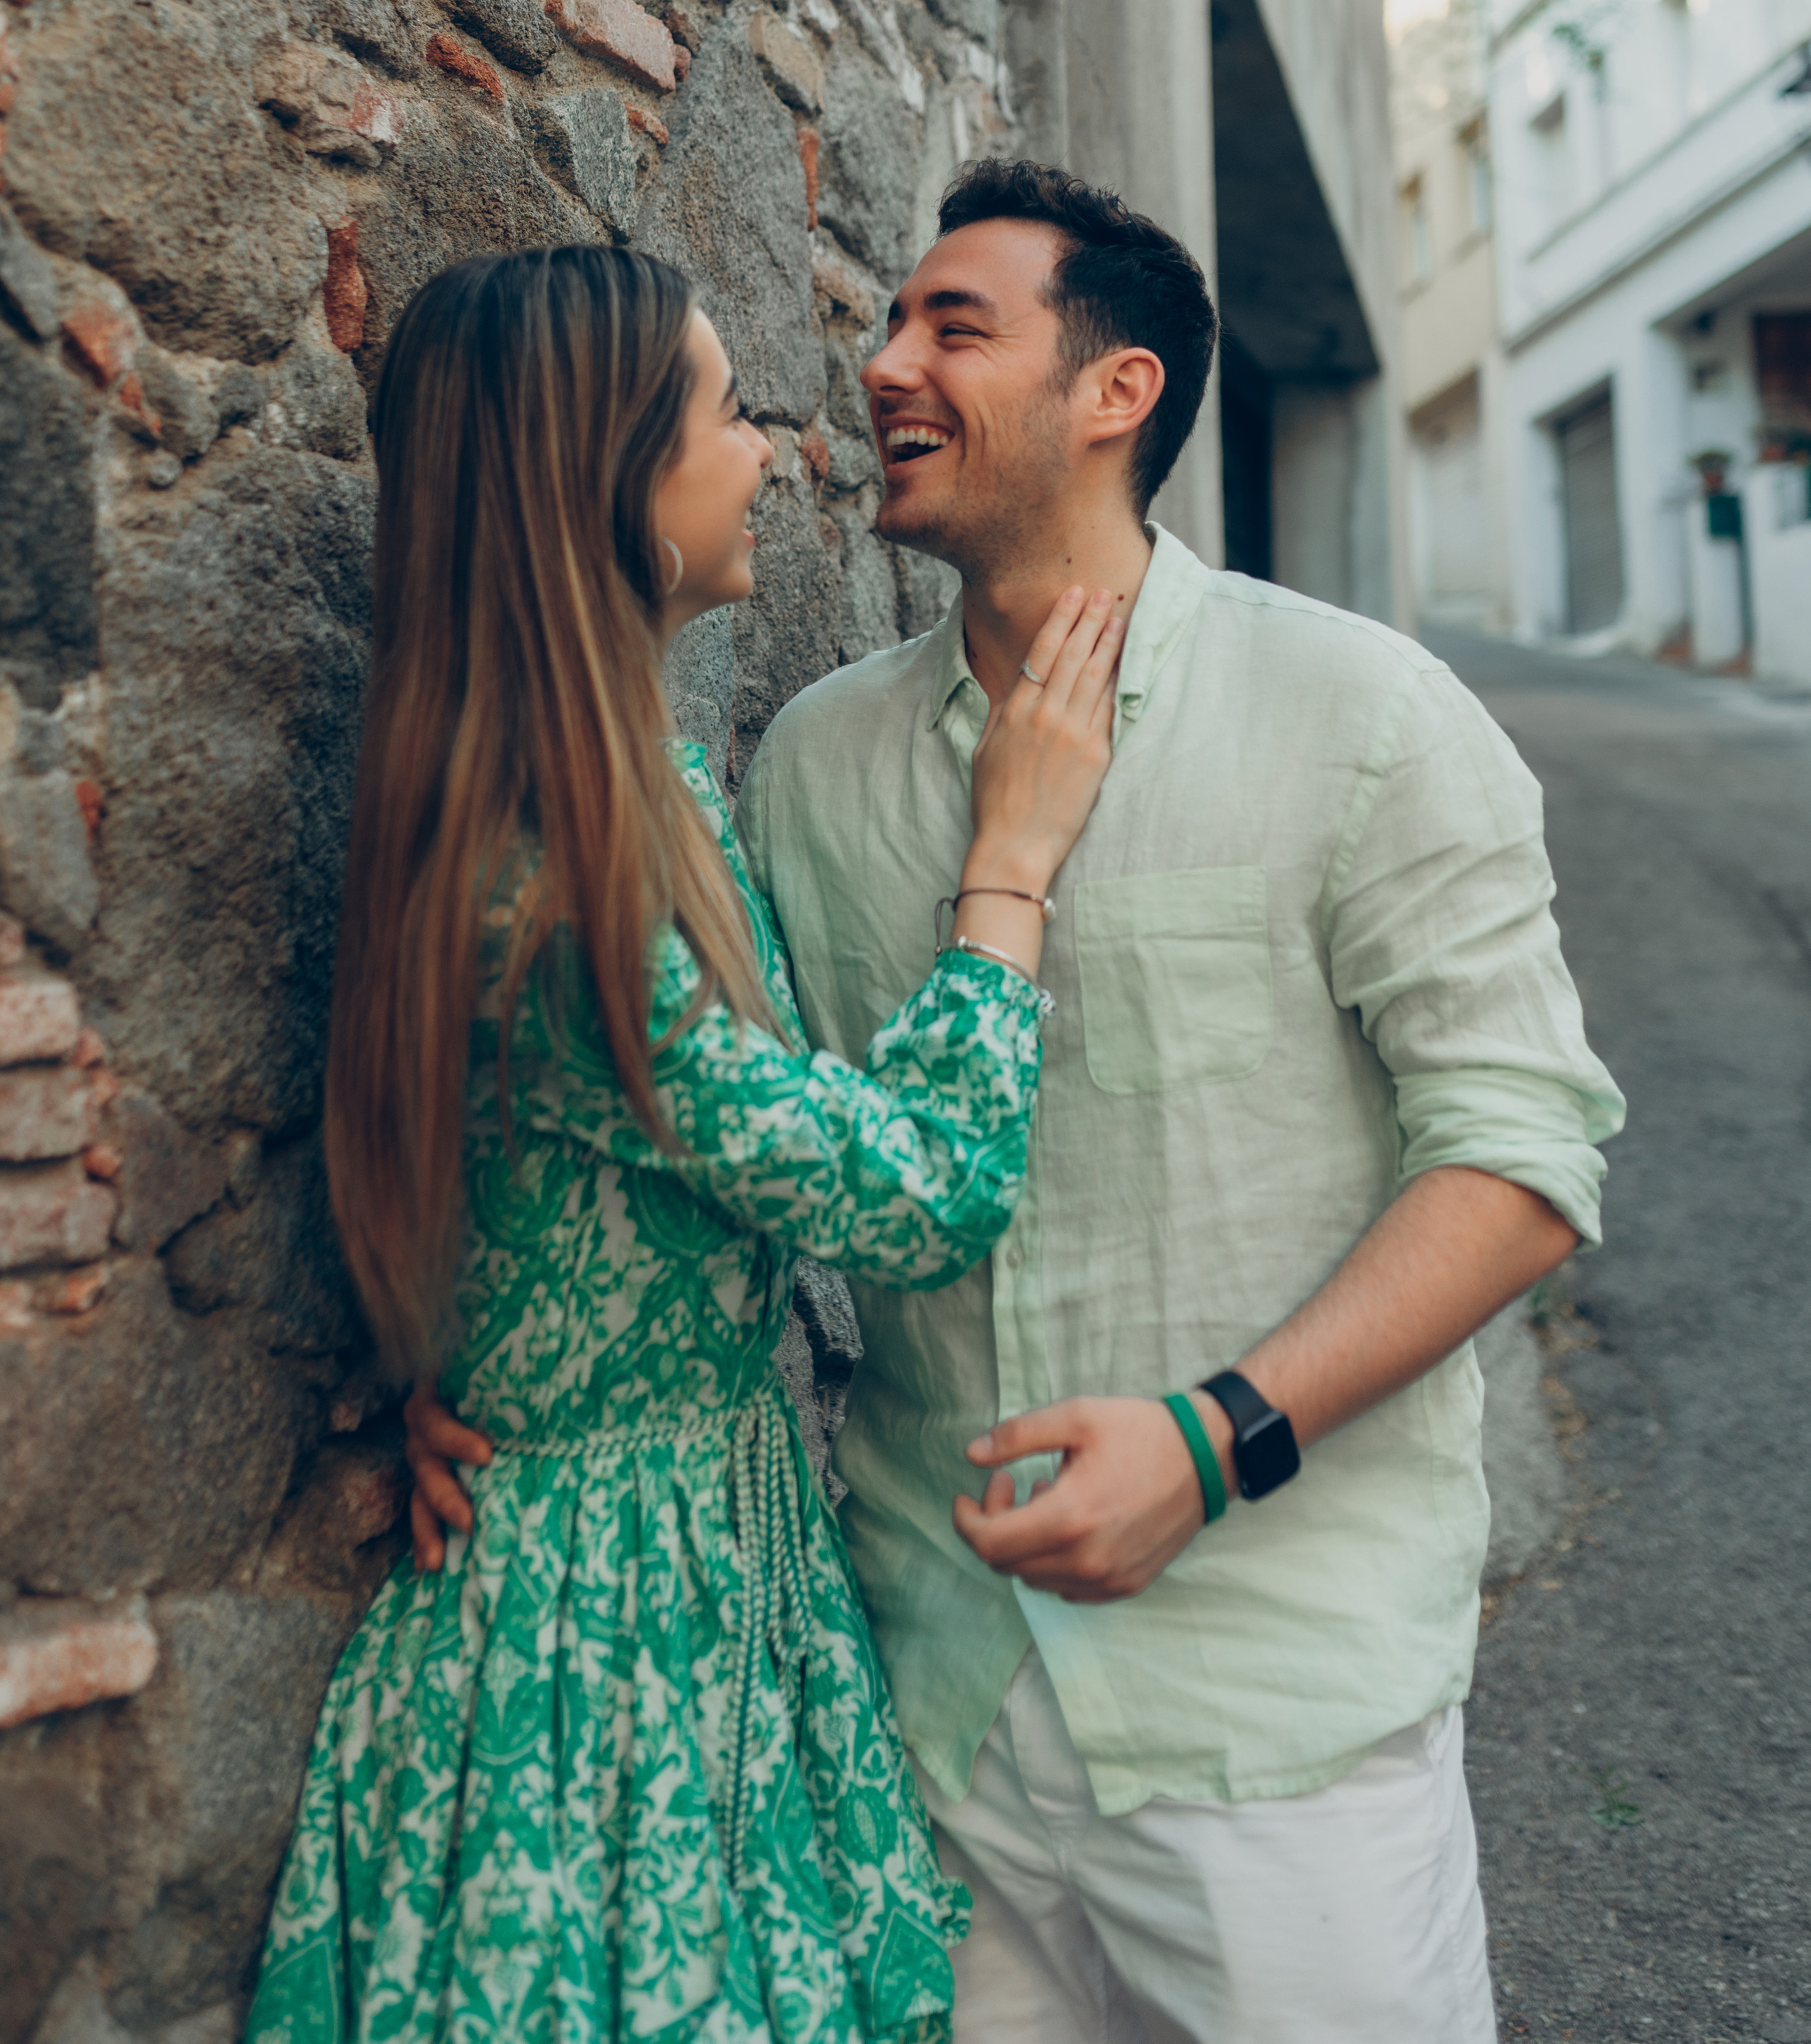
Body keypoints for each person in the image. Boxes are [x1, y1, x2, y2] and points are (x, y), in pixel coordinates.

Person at [410, 164, 1626, 2044]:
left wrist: (1219, 1438)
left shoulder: (1364, 714)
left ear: (1115, 389)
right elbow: (683, 1144)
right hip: (925, 1713)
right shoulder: (807, 770)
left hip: (1268, 1722)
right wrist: (480, 1386)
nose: (882, 365)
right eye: (890, 319)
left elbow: (1524, 1156)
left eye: (952, 327)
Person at [244, 243, 1126, 2044]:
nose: (773, 451)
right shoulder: (570, 890)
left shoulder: (618, 797)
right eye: (725, 414)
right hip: (601, 1666)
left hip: (685, 1575)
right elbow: (926, 1194)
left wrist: (465, 1366)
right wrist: (1009, 861)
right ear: (616, 490)